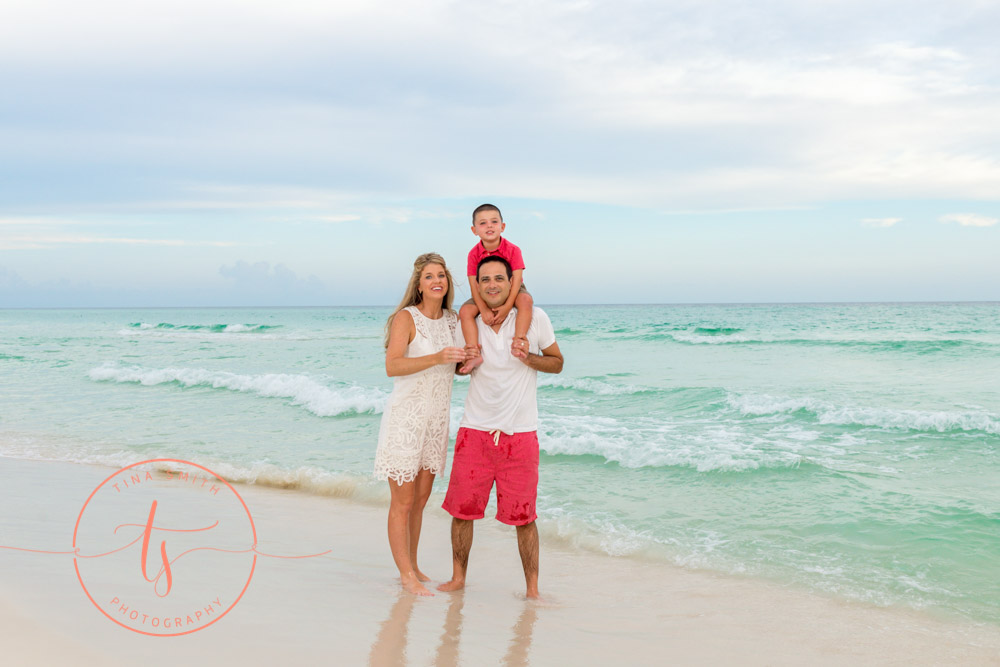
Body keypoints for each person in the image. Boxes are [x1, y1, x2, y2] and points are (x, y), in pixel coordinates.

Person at [438, 256, 563, 599]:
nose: (492, 284)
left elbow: (557, 362)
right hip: (474, 432)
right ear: (477, 286)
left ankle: (533, 589)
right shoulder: (469, 322)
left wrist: (529, 357)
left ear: (512, 283)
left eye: (499, 278)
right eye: (485, 279)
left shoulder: (534, 319)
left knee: (524, 517)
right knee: (463, 512)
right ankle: (459, 578)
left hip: (520, 435)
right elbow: (453, 369)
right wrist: (461, 365)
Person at [374, 252, 469, 596]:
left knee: (421, 499)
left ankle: (413, 565)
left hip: (435, 422)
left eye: (441, 275)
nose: (436, 281)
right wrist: (437, 357)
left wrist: (467, 362)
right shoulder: (405, 318)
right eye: (429, 276)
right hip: (406, 419)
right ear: (419, 283)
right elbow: (393, 366)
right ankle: (405, 576)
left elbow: (456, 366)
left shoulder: (453, 320)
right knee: (402, 501)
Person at [458, 204, 535, 373]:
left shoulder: (513, 250)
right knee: (465, 312)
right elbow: (474, 284)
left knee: (526, 300)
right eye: (483, 223)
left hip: (513, 288)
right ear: (474, 230)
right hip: (483, 291)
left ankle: (519, 341)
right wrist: (483, 309)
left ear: (503, 226)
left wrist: (507, 307)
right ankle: (473, 353)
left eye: (494, 221)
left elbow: (515, 280)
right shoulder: (473, 254)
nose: (489, 226)